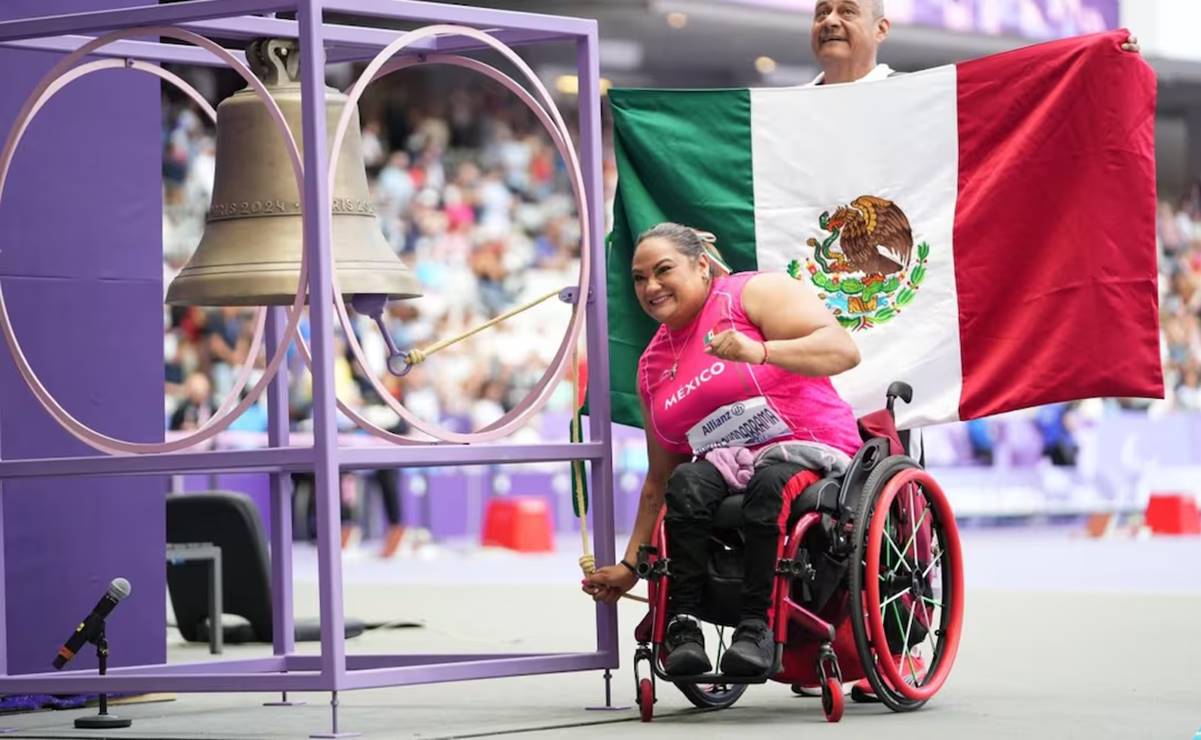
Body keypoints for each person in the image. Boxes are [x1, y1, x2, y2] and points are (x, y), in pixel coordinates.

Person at [583, 223, 862, 677]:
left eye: (663, 270)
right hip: (728, 465)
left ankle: (757, 628)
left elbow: (843, 350)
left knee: (771, 484)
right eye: (639, 277)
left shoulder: (750, 294)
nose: (650, 286)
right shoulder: (652, 365)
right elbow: (658, 480)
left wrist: (761, 351)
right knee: (687, 483)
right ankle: (684, 625)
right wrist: (631, 566)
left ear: (700, 265)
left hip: (808, 450)